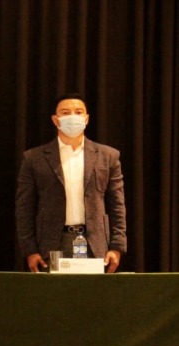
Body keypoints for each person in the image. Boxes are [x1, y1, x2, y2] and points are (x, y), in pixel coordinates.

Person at [15, 93, 127, 273]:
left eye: (78, 112)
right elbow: (24, 208)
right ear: (55, 120)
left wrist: (117, 246)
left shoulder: (108, 156)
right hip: (52, 244)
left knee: (93, 291)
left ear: (86, 118)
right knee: (54, 291)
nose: (73, 117)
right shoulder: (34, 158)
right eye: (66, 113)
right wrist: (30, 250)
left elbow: (117, 205)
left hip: (95, 244)